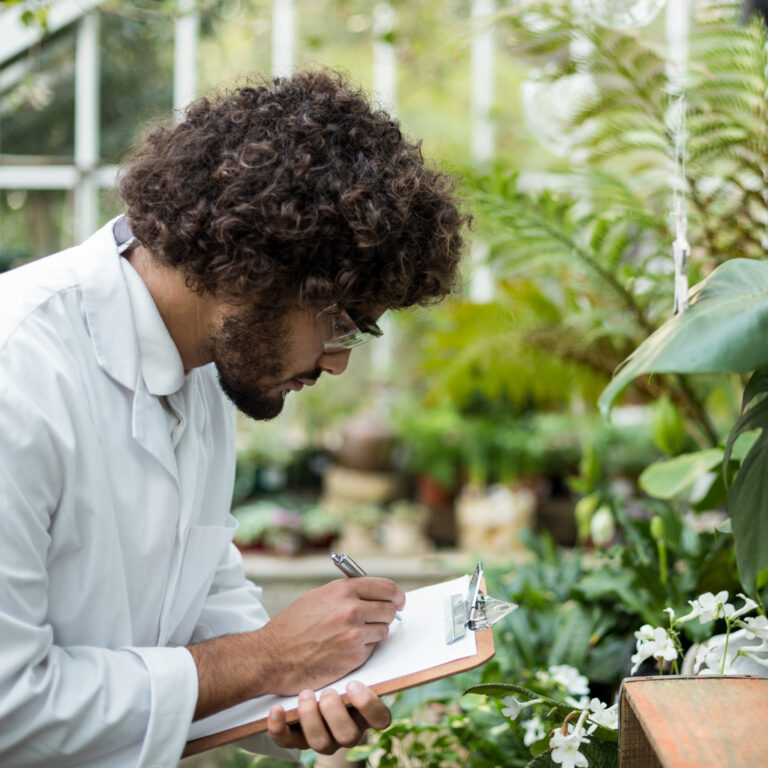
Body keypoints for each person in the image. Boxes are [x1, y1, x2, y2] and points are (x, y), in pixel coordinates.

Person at [0, 69, 466, 767]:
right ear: (252, 269)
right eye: (339, 323)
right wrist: (267, 660)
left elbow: (203, 595)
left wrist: (304, 687)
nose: (338, 362)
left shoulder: (203, 370)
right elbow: (11, 705)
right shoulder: (17, 370)